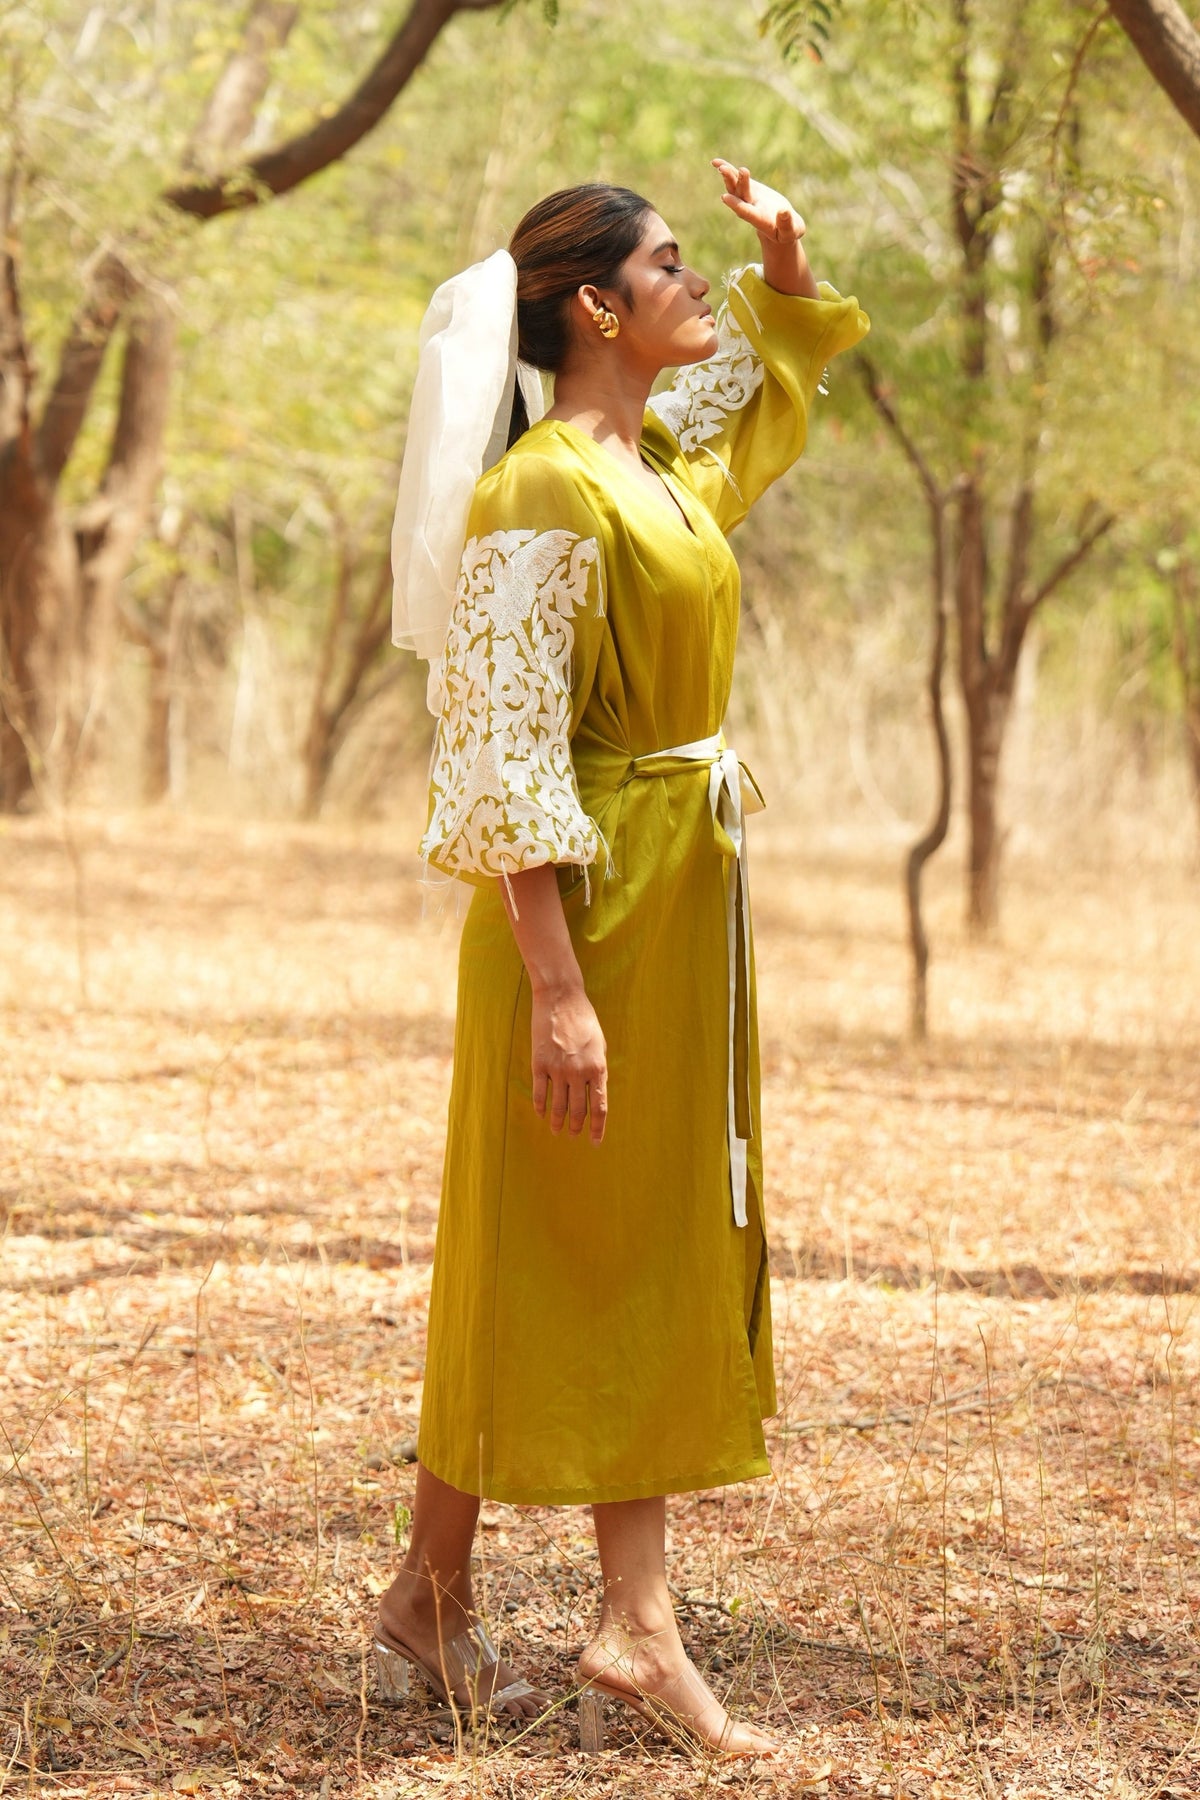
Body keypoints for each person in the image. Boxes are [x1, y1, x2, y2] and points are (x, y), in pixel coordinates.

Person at [377, 159, 869, 1757]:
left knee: (593, 1236)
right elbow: (506, 745)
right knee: (582, 1237)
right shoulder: (541, 492)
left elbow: (750, 424)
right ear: (595, 308)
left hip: (672, 902)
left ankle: (431, 1596)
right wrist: (559, 987)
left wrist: (786, 270)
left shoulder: (643, 468)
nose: (695, 283)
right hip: (583, 912)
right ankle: (636, 1626)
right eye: (672, 266)